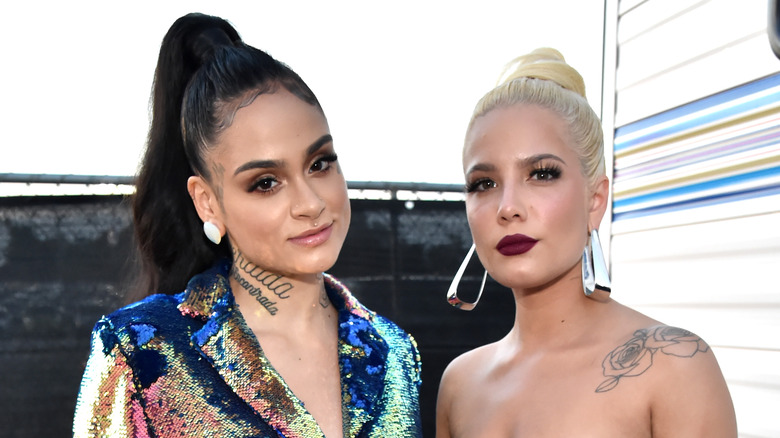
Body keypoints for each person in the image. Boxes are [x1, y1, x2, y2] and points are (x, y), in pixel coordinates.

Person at [73, 13, 421, 438]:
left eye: (320, 163)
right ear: (208, 202)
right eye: (266, 183)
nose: (311, 203)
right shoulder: (141, 350)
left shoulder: (395, 353)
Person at [435, 48, 737, 437]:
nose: (508, 207)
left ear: (595, 200)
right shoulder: (459, 384)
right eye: (484, 183)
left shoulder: (674, 364)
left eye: (542, 174)